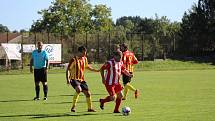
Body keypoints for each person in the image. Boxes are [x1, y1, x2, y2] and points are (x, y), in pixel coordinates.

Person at [66, 46, 99, 112]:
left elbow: (87, 67)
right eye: (84, 53)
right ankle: (73, 107)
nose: (85, 54)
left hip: (81, 79)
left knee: (88, 94)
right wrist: (67, 79)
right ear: (79, 52)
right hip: (74, 79)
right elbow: (68, 70)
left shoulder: (84, 59)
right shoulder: (74, 60)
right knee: (78, 89)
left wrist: (96, 70)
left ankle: (90, 108)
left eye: (85, 53)